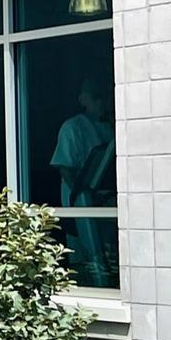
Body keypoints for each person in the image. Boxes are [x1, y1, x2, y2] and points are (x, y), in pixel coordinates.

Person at [50, 79, 116, 286]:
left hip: (105, 200)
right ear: (82, 99)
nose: (100, 103)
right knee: (83, 257)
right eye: (95, 98)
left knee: (108, 252)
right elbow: (64, 167)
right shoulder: (72, 127)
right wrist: (82, 194)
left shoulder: (109, 127)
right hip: (80, 203)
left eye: (102, 98)